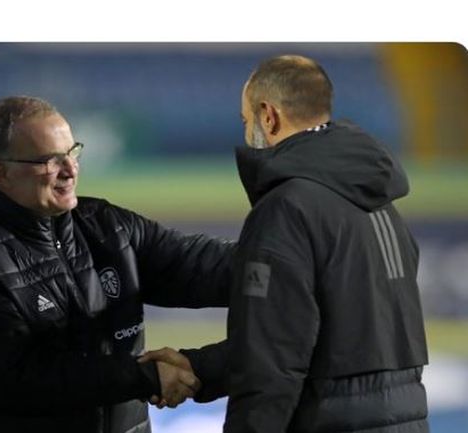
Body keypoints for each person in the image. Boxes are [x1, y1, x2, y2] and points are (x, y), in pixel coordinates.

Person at [142, 55, 429, 432]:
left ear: (268, 117)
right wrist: (202, 368)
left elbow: (272, 359)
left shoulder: (286, 207)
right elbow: (330, 341)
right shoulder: (383, 205)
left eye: (246, 121)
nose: (247, 133)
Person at [0, 96, 235, 433]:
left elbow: (200, 266)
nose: (70, 169)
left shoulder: (108, 227)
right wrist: (146, 377)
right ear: (1, 173)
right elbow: (20, 379)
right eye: (50, 160)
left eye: (72, 152)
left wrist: (286, 261)